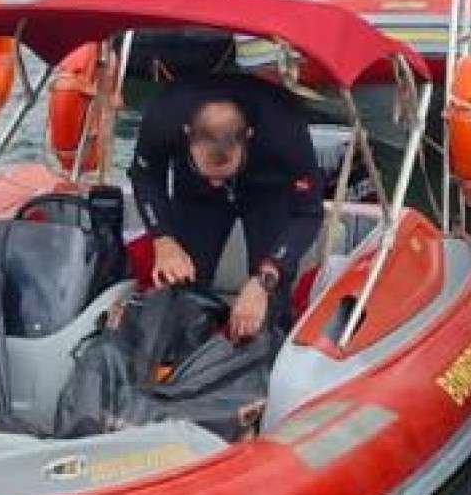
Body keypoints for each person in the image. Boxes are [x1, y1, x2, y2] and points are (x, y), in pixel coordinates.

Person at [126, 74, 324, 342]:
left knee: (270, 302)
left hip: (267, 189)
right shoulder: (166, 114)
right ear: (186, 133)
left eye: (224, 172)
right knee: (183, 284)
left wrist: (265, 278)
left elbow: (309, 211)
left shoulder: (283, 127)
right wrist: (162, 238)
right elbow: (145, 176)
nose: (217, 183)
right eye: (209, 172)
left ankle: (263, 347)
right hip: (197, 193)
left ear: (248, 137)